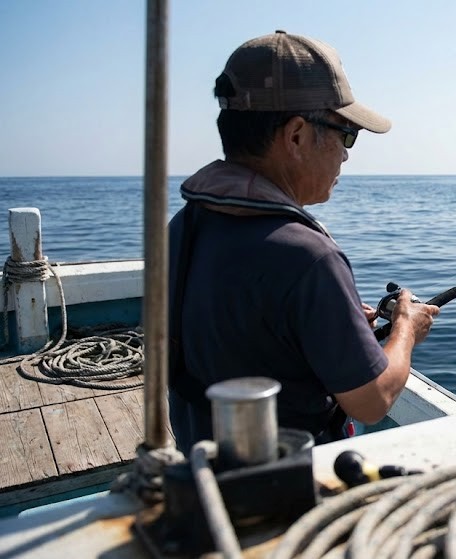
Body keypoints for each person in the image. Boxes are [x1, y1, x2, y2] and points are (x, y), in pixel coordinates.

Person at [168, 30, 438, 451]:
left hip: (202, 464)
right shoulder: (309, 258)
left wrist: (329, 324)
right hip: (285, 484)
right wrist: (405, 328)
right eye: (345, 133)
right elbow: (372, 401)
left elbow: (243, 339)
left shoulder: (187, 225)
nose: (347, 153)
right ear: (296, 136)